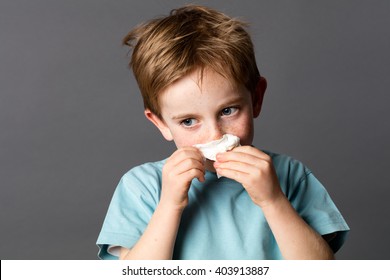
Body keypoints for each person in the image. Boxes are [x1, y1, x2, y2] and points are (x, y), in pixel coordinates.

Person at [96, 5, 349, 260]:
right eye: (188, 121)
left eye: (228, 110)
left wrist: (273, 201)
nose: (214, 134)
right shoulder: (142, 187)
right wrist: (169, 206)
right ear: (161, 123)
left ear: (256, 98)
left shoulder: (291, 176)